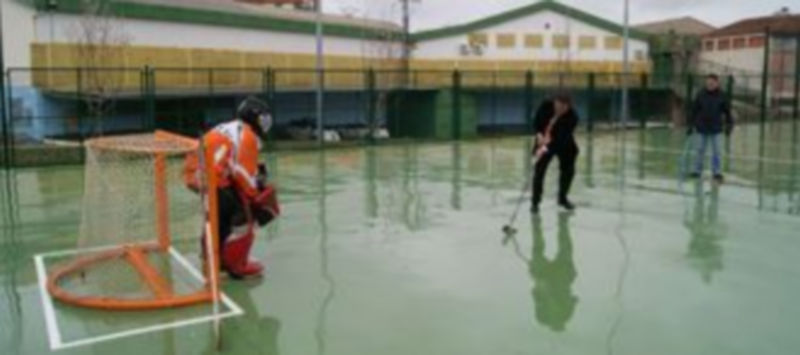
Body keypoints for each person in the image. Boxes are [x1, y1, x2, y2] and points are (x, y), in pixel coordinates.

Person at [185, 96, 280, 279]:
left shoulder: (230, 127)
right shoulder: (248, 135)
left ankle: (210, 258)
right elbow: (240, 171)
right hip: (213, 177)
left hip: (198, 175)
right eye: (263, 120)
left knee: (219, 218)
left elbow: (232, 162)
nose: (265, 125)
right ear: (255, 118)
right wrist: (255, 192)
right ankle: (235, 265)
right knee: (245, 215)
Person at [531, 94, 580, 214]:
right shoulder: (545, 106)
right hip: (543, 140)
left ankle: (562, 199)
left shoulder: (573, 117)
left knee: (568, 170)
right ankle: (535, 202)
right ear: (554, 103)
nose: (560, 110)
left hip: (564, 143)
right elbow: (537, 122)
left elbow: (561, 137)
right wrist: (539, 136)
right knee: (539, 171)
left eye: (564, 108)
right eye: (558, 106)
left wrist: (547, 143)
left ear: (568, 107)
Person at [688, 74, 734, 183]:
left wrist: (729, 126)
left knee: (717, 152)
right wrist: (690, 125)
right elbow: (694, 110)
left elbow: (727, 113)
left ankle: (717, 173)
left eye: (712, 83)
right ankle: (696, 171)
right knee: (699, 150)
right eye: (708, 82)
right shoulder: (700, 94)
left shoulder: (722, 96)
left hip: (716, 129)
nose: (710, 84)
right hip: (701, 128)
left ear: (717, 83)